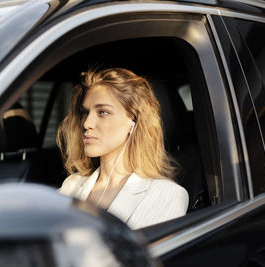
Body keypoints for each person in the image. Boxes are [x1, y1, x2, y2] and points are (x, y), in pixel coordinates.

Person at [57, 68, 189, 230]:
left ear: (133, 121)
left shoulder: (167, 195)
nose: (87, 124)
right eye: (85, 112)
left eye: (103, 112)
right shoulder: (73, 184)